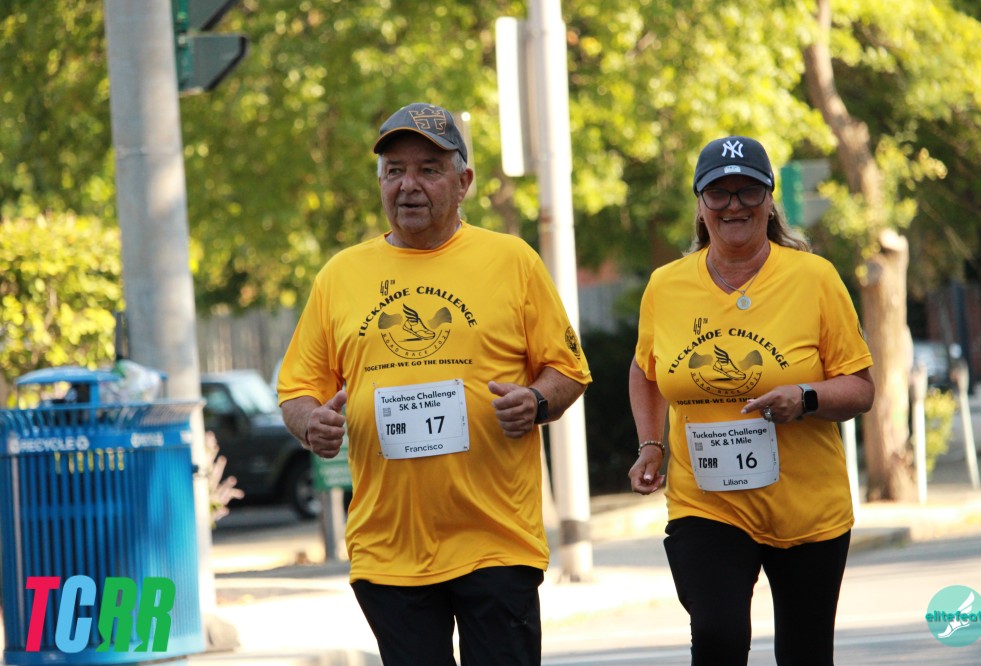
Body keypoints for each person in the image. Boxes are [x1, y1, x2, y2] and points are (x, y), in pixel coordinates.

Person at [277, 102, 591, 666]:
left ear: (463, 182)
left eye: (428, 169)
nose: (409, 185)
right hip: (388, 550)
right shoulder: (341, 275)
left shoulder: (512, 261)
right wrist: (310, 423)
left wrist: (537, 401)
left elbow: (568, 369)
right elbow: (297, 388)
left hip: (496, 540)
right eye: (394, 170)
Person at [628, 135, 875, 665]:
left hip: (807, 507)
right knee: (716, 636)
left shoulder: (814, 278)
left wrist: (805, 397)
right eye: (719, 193)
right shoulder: (666, 286)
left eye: (748, 191)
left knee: (806, 654)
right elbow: (646, 370)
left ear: (769, 201)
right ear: (700, 205)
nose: (733, 205)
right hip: (707, 503)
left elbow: (860, 388)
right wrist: (650, 444)